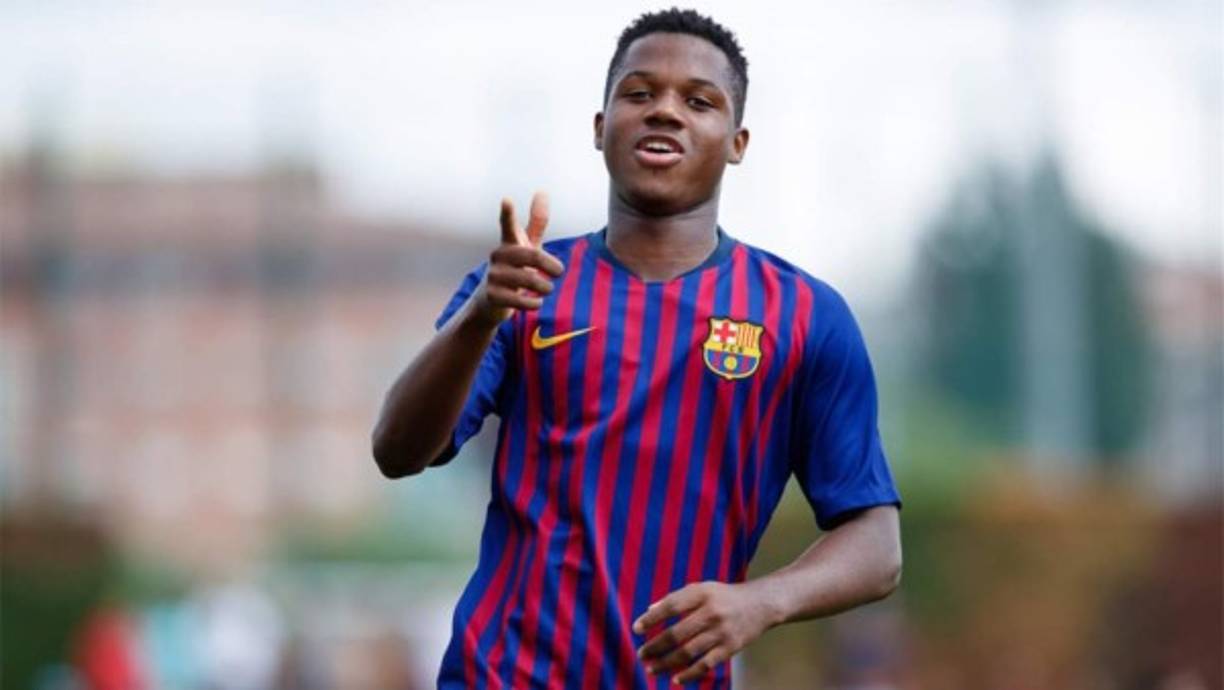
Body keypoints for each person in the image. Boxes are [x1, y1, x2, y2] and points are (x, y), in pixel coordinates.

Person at [372, 8, 903, 689]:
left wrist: (759, 602)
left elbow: (877, 546)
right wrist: (480, 316)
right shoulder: (520, 285)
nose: (665, 112)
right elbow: (396, 451)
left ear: (737, 141)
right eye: (639, 93)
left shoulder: (804, 316)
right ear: (601, 128)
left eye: (698, 101)